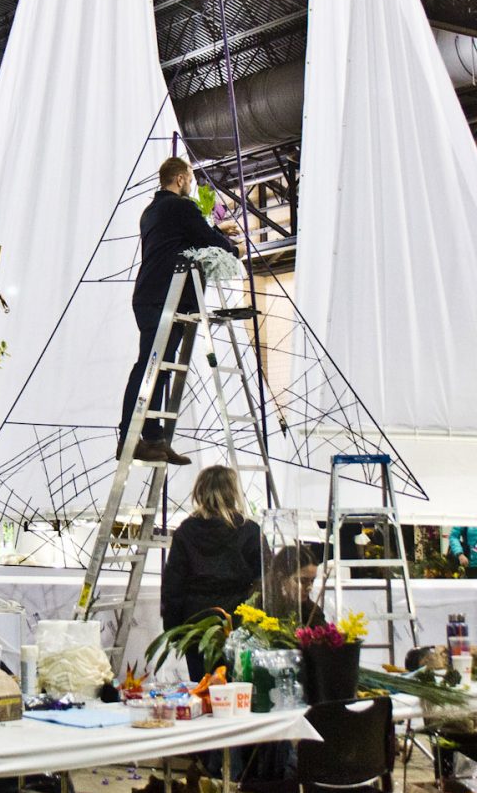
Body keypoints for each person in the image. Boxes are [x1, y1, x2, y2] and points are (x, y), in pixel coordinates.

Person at [118, 156, 240, 466]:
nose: (194, 185)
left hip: (151, 295)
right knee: (150, 365)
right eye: (192, 178)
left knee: (157, 367)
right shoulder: (181, 208)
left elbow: (181, 237)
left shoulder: (151, 212)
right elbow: (207, 239)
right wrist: (232, 247)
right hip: (163, 297)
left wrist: (212, 229)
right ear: (181, 180)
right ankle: (129, 438)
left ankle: (154, 438)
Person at [161, 467, 264, 681]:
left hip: (196, 625)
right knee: (239, 687)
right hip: (237, 623)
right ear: (233, 492)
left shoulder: (185, 531)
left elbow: (173, 585)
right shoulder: (249, 530)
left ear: (199, 491)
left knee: (204, 689)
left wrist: (174, 630)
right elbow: (266, 578)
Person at [264, 544, 324, 630]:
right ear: (281, 577)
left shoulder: (313, 612)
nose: (309, 587)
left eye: (312, 581)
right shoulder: (263, 607)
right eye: (302, 581)